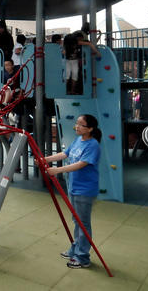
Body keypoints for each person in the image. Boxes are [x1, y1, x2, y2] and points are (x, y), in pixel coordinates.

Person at [44, 114, 102, 269]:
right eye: (76, 123)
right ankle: (75, 248)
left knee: (83, 223)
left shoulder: (93, 145)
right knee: (77, 221)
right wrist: (46, 159)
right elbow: (65, 154)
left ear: (90, 128)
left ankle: (83, 257)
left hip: (85, 189)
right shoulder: (78, 140)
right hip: (73, 187)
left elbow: (81, 164)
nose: (76, 126)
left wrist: (57, 170)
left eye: (81, 124)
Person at [63, 30, 100, 95]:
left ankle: (72, 90)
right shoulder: (65, 44)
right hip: (67, 61)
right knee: (67, 76)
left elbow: (90, 44)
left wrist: (97, 52)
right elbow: (61, 50)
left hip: (75, 61)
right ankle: (64, 90)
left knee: (75, 76)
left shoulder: (77, 42)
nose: (74, 45)